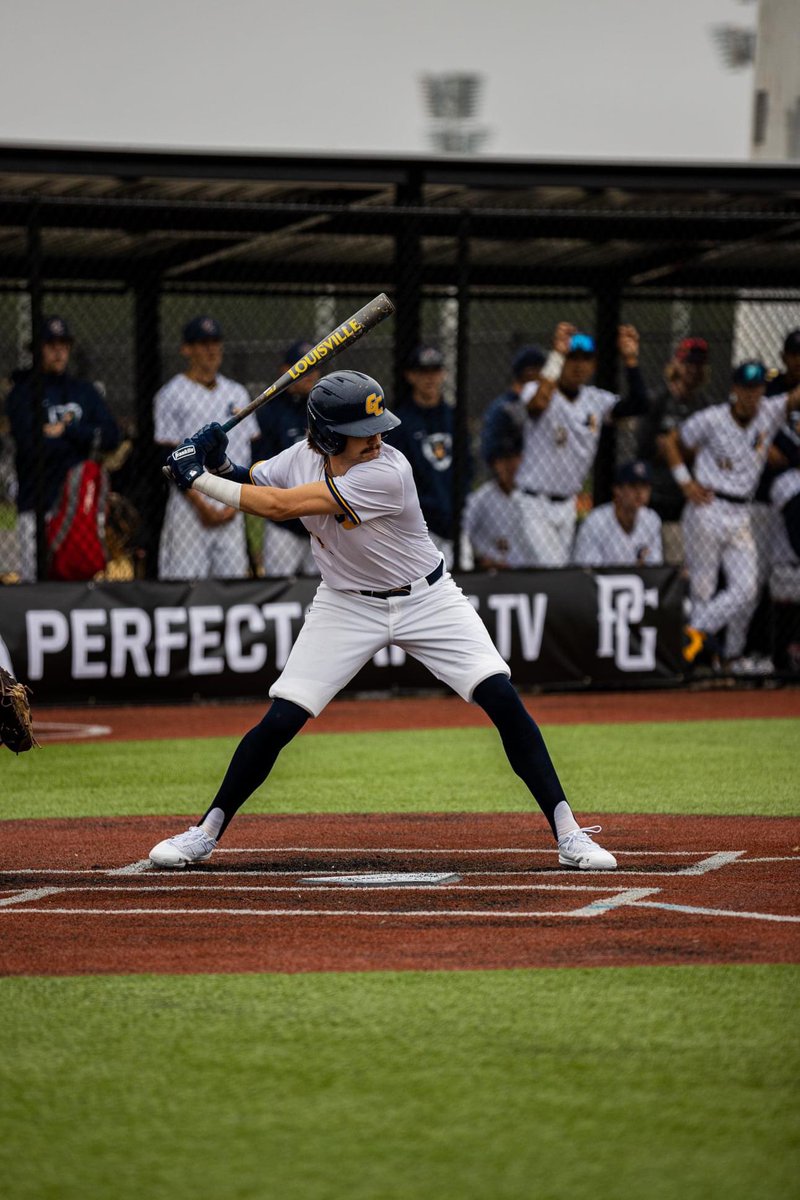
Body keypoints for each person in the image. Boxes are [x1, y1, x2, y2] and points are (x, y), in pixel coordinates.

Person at [148, 369, 617, 872]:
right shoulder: (298, 459)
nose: (377, 439)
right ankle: (205, 831)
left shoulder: (388, 471)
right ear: (327, 437)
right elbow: (256, 481)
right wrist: (219, 460)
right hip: (346, 603)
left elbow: (280, 504)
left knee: (500, 695)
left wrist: (197, 476)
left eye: (378, 428)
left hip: (428, 600)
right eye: (362, 432)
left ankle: (569, 833)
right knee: (282, 718)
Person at [664, 360, 800, 671]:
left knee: (746, 588)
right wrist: (685, 482)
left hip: (741, 511)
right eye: (748, 388)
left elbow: (793, 398)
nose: (754, 395)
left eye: (758, 388)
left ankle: (692, 634)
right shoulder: (712, 419)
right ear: (735, 390)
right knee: (703, 587)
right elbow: (671, 441)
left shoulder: (769, 410)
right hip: (707, 507)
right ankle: (702, 663)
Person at [515, 322, 648, 566]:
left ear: (593, 365)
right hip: (534, 503)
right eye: (572, 358)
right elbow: (537, 405)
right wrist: (556, 355)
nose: (578, 365)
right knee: (553, 573)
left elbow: (639, 404)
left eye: (585, 359)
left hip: (568, 505)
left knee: (552, 577)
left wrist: (630, 359)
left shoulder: (596, 399)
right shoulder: (537, 388)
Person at [5, 316, 120, 581]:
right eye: (50, 344)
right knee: (38, 584)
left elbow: (112, 437)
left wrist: (66, 431)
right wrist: (86, 439)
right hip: (38, 505)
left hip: (79, 507)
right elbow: (31, 446)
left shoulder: (84, 391)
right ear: (37, 349)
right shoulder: (23, 393)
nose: (58, 351)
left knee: (77, 579)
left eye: (64, 344)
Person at [154, 315, 259, 580]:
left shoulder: (237, 392)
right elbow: (166, 458)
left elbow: (249, 452)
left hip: (231, 499)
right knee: (185, 582)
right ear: (186, 349)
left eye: (215, 342)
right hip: (189, 504)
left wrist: (233, 504)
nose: (211, 349)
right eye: (202, 343)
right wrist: (202, 506)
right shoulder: (171, 393)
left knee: (233, 583)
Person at [388, 346, 471, 568]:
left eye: (434, 371)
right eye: (423, 372)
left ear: (443, 374)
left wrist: (459, 507)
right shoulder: (400, 423)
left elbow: (467, 469)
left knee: (464, 586)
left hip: (456, 523)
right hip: (419, 528)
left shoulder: (454, 418)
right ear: (410, 376)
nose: (429, 378)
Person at [636, 337, 712, 564]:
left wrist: (671, 445)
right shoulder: (657, 400)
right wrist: (685, 448)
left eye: (698, 364)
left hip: (689, 502)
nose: (693, 369)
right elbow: (647, 448)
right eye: (688, 362)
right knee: (652, 564)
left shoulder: (704, 405)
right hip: (657, 497)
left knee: (682, 565)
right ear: (675, 364)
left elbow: (706, 451)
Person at [252, 340, 321, 577]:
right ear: (285, 370)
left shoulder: (322, 410)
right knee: (278, 587)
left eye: (313, 367)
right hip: (283, 522)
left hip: (320, 520)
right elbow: (262, 468)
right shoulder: (269, 412)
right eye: (303, 367)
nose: (309, 374)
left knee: (326, 590)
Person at [463, 431, 537, 569]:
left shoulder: (532, 498)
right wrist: (479, 557)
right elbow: (463, 532)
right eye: (503, 460)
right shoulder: (481, 499)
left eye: (515, 458)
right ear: (494, 464)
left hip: (527, 571)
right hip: (489, 572)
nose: (510, 466)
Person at [572, 460, 663, 567]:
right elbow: (587, 568)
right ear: (617, 490)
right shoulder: (596, 521)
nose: (640, 492)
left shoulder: (652, 520)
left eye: (644, 486)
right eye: (633, 486)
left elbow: (655, 566)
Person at [479, 345, 546, 467]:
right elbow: (491, 448)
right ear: (530, 373)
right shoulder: (504, 407)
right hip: (510, 473)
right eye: (542, 371)